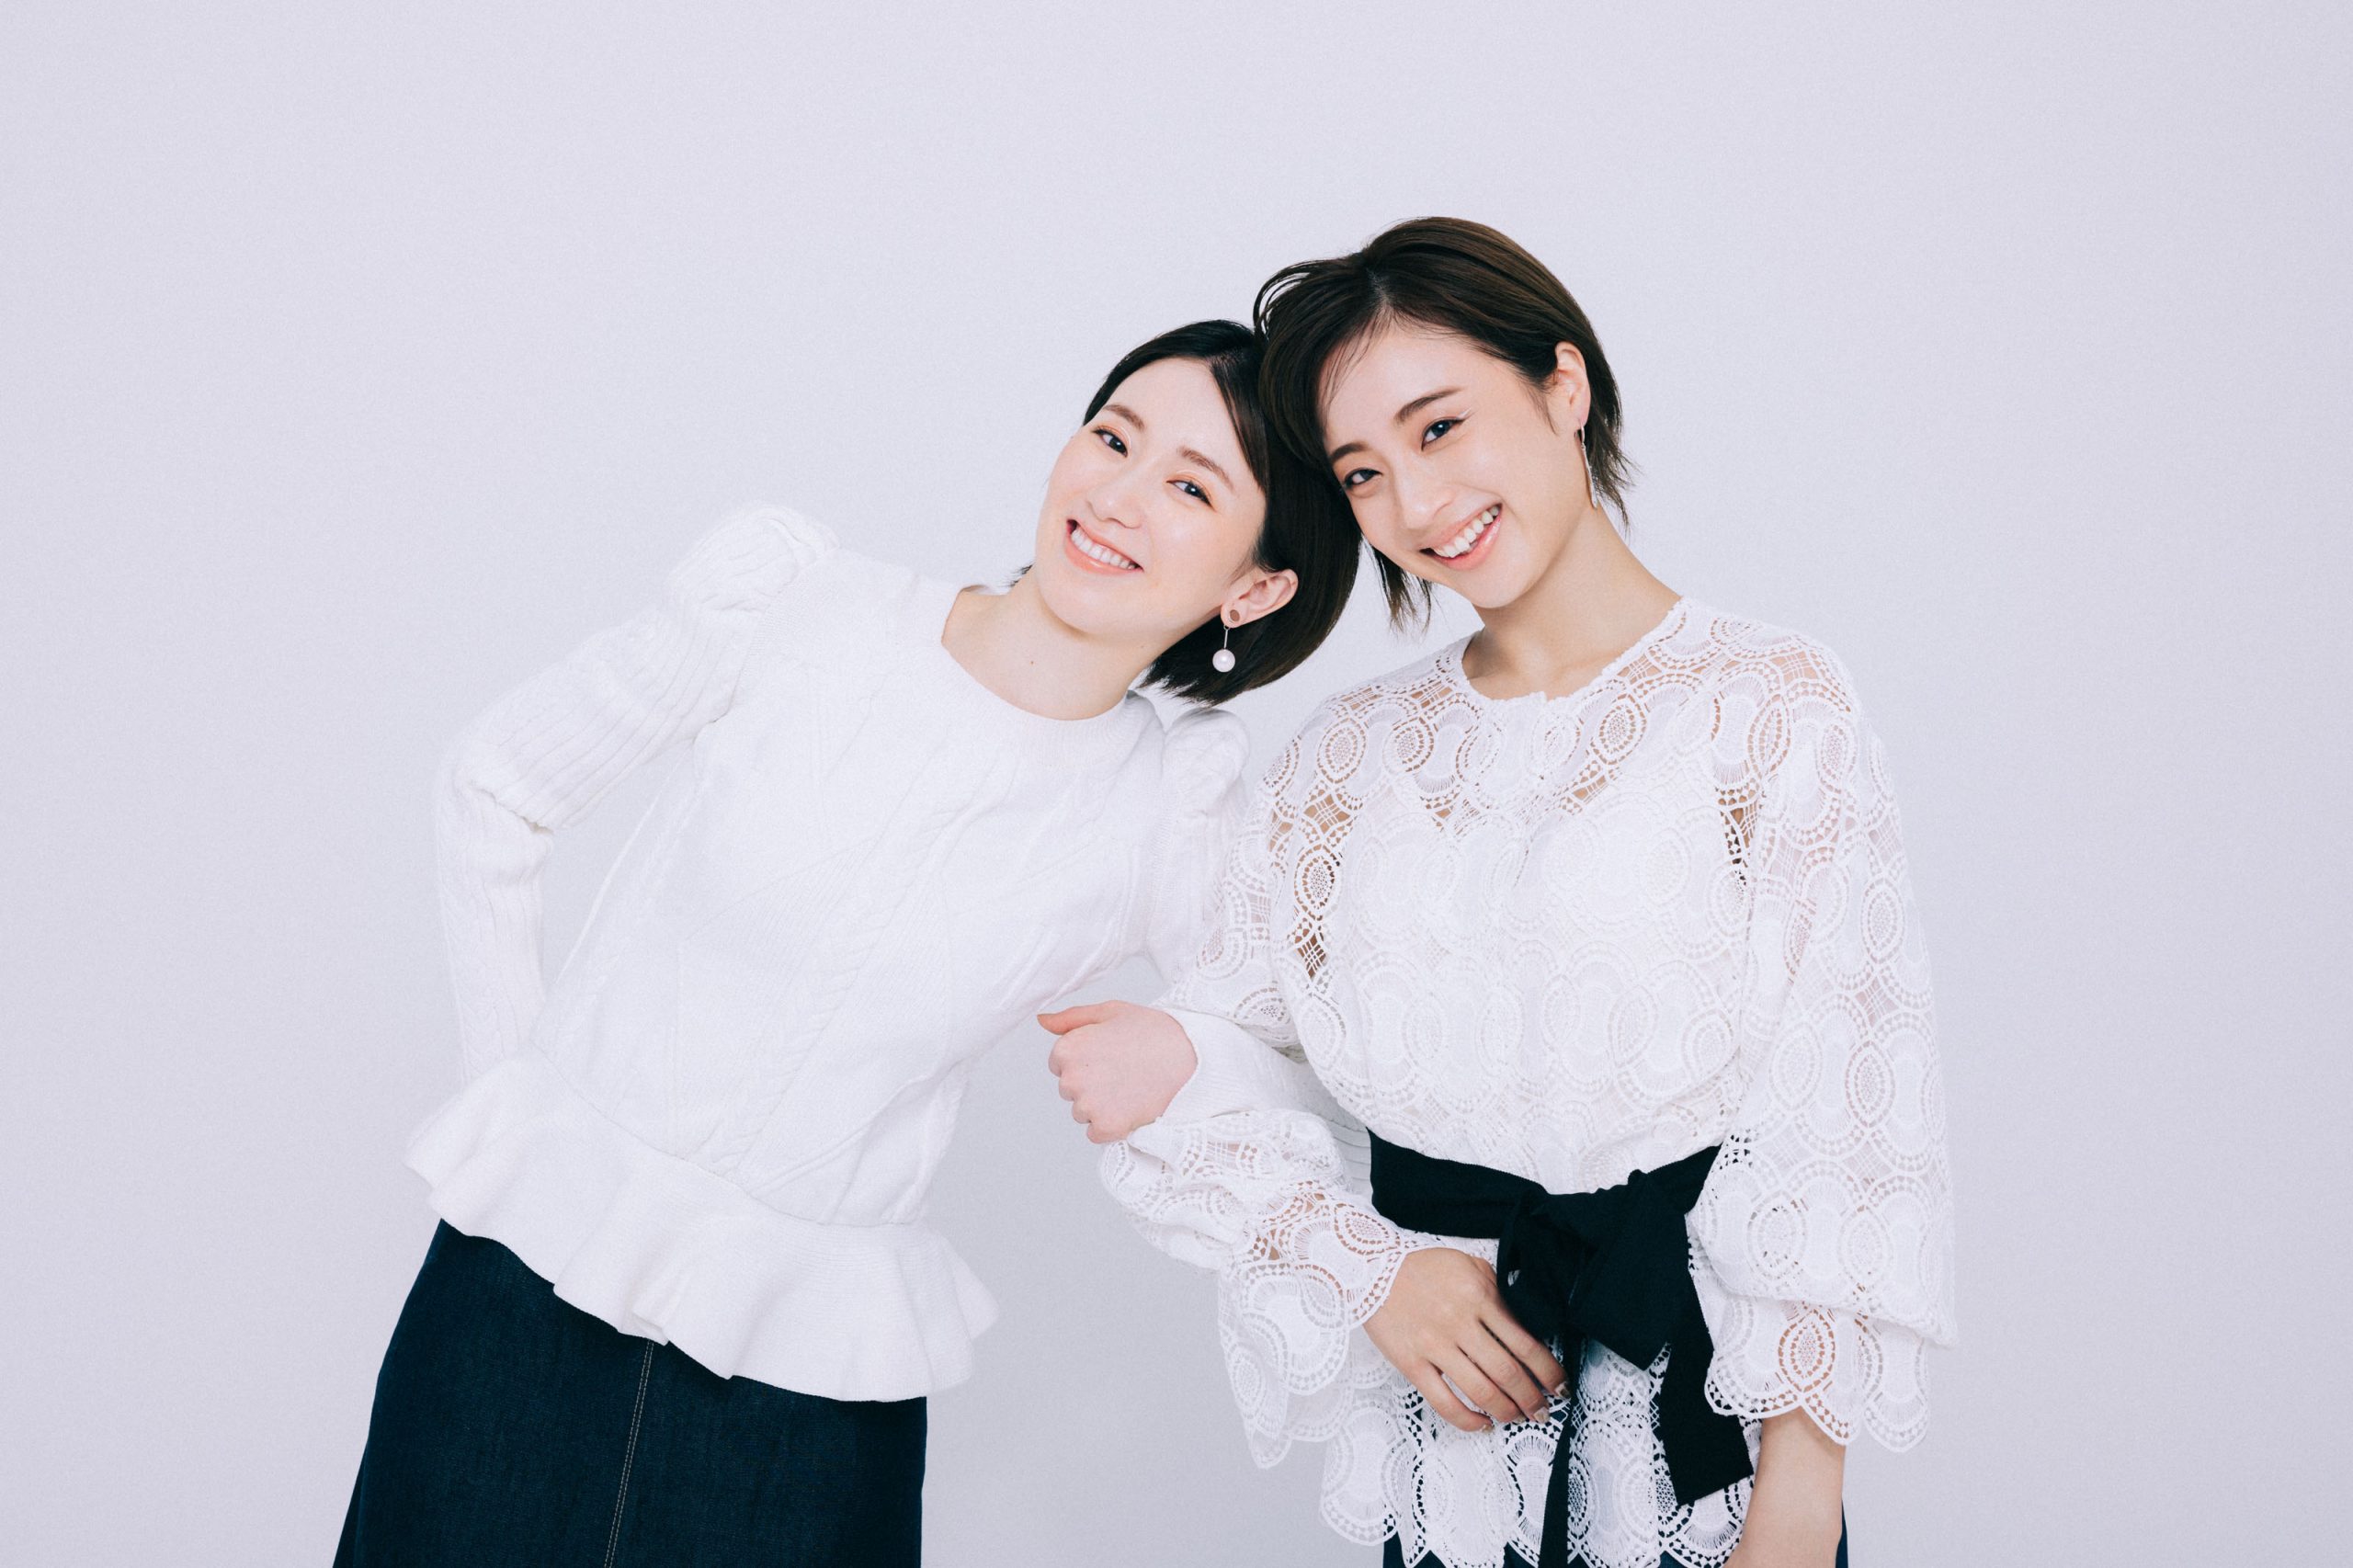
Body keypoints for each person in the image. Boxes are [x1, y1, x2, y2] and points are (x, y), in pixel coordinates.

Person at [335, 320, 1359, 1567]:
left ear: (1253, 589)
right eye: (1113, 438)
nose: (1118, 496)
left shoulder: (1168, 812)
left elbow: (1313, 1057)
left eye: (1191, 488)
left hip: (802, 1397)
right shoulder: (801, 608)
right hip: (515, 1308)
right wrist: (520, 1114)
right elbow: (497, 781)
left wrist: (1189, 1056)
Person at [1046, 222, 1956, 1568]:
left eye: (1440, 426)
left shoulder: (1765, 706)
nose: (1417, 504)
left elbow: (1842, 1114)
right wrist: (1370, 1270)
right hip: (1458, 1462)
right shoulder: (1344, 764)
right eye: (1364, 471)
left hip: (1711, 1462)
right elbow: (1231, 1056)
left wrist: (1799, 1498)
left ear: (1562, 386)